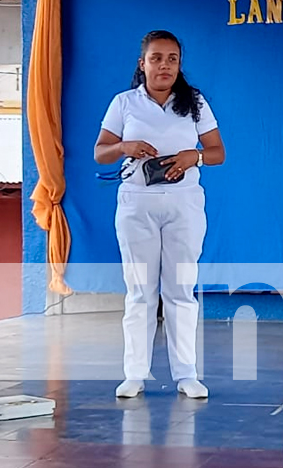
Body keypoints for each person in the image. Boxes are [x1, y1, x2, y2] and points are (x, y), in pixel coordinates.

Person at [94, 30, 225, 399]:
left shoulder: (195, 102)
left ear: (179, 64)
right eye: (156, 58)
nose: (164, 65)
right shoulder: (124, 103)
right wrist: (124, 146)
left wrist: (192, 156)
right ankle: (135, 374)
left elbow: (217, 151)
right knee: (139, 291)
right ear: (142, 63)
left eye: (172, 58)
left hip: (184, 203)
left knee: (181, 289)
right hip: (137, 204)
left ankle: (187, 375)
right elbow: (99, 153)